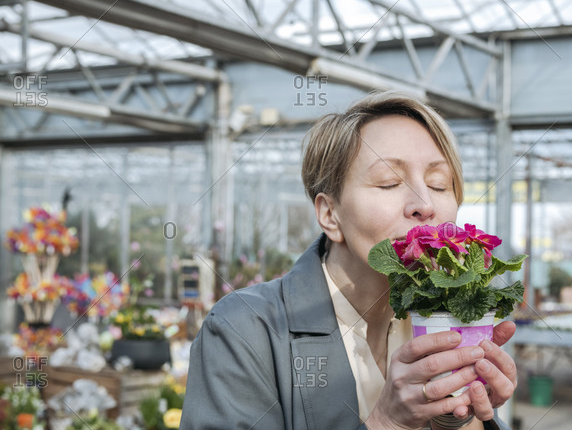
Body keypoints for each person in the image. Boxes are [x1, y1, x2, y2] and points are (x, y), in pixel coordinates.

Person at [180, 91, 517, 430]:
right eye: (388, 183)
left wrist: (453, 414)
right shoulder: (244, 330)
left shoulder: (442, 320)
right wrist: (387, 423)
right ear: (329, 214)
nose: (423, 203)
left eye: (438, 184)